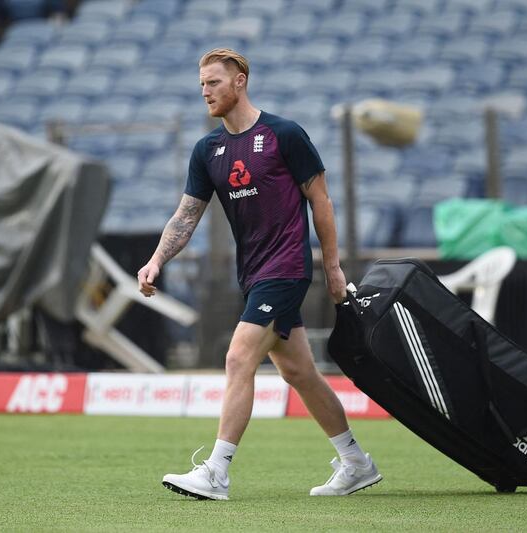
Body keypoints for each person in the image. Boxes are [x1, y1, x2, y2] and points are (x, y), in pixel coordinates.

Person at [136, 48, 382, 501]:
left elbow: (321, 201)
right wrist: (156, 261)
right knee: (299, 373)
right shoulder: (207, 149)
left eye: (213, 83)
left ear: (240, 81)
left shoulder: (284, 134)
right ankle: (356, 462)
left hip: (286, 269)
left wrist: (332, 267)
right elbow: (185, 216)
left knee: (237, 358)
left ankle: (216, 472)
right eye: (202, 85)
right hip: (252, 274)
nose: (205, 92)